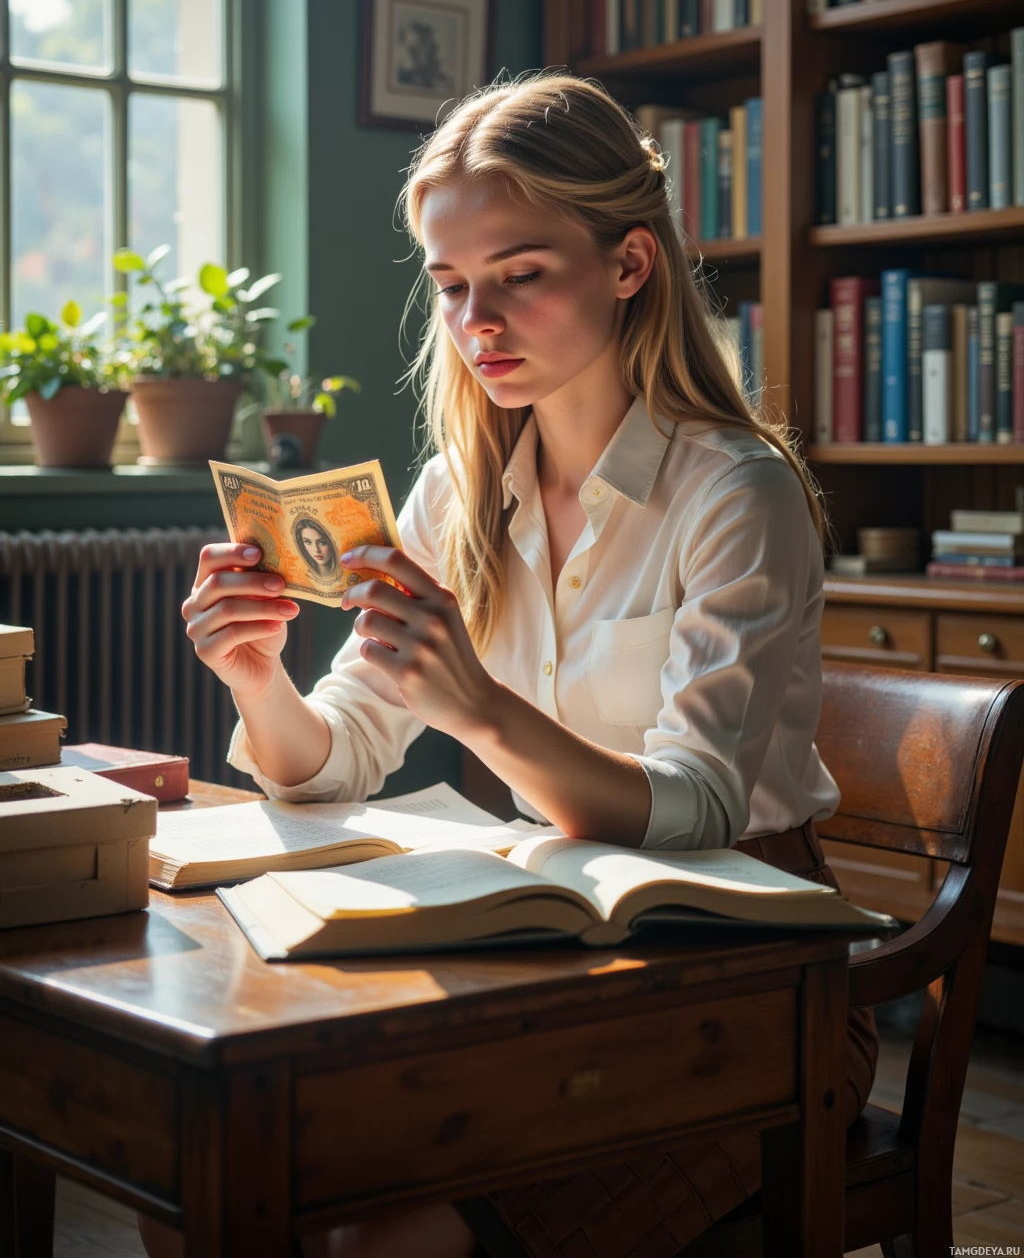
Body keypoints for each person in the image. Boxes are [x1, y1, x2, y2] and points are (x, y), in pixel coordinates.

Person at [155, 74, 877, 1258]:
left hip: (749, 985)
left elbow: (696, 811)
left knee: (379, 1238)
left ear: (629, 265)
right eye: (450, 288)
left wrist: (482, 712)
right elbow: (330, 764)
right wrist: (254, 676)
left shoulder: (736, 493)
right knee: (211, 1181)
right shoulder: (459, 492)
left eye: (520, 275)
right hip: (548, 945)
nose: (476, 322)